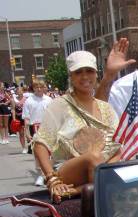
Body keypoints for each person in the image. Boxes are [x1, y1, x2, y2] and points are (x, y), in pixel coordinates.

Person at [33, 51, 121, 203]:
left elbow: (118, 147)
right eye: (78, 72)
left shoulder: (106, 108)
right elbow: (40, 144)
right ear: (71, 77)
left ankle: (79, 190)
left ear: (96, 74)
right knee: (93, 157)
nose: (85, 77)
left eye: (89, 71)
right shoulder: (60, 105)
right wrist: (51, 178)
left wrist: (106, 170)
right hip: (68, 169)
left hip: (102, 169)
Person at [11, 87, 27, 153]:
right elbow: (13, 109)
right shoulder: (13, 100)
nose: (20, 92)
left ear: (23, 91)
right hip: (18, 117)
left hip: (25, 117)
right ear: (16, 92)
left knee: (27, 132)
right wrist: (14, 118)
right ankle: (24, 148)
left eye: (21, 91)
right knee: (21, 133)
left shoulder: (26, 99)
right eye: (18, 91)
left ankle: (30, 147)